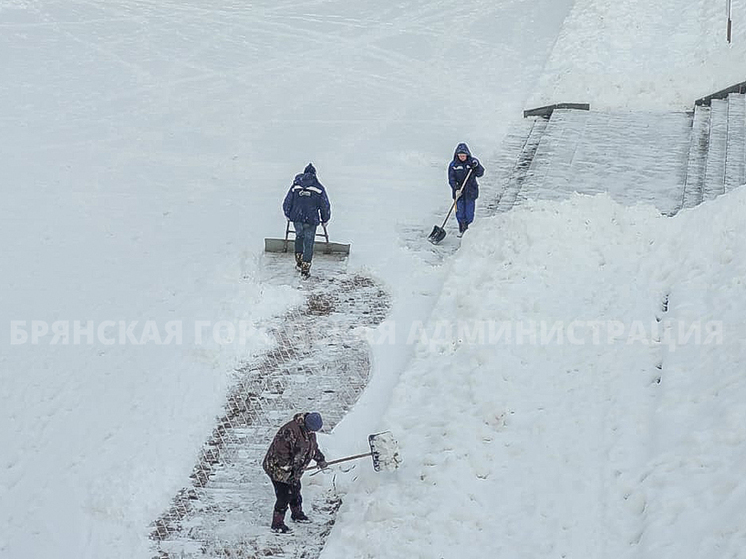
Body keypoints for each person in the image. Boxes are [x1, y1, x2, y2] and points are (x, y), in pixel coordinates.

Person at [262, 412, 327, 533]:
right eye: (312, 430)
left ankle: (297, 514)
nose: (313, 432)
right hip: (277, 467)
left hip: (293, 469)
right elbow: (280, 453)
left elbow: (312, 448)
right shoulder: (290, 431)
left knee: (295, 488)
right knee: (284, 494)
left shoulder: (309, 433)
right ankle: (277, 524)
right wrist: (289, 469)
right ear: (306, 424)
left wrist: (320, 459)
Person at [283, 163, 331, 278]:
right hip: (311, 219)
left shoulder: (295, 186)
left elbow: (287, 201)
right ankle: (305, 267)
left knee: (299, 236)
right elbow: (325, 205)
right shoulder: (319, 188)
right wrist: (325, 219)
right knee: (309, 242)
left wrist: (288, 214)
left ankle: (298, 260)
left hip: (297, 217)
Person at [448, 143, 484, 236]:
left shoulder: (471, 163)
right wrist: (456, 188)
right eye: (460, 156)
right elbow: (451, 179)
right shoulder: (453, 165)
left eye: (464, 156)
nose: (462, 157)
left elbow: (480, 173)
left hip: (470, 192)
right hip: (458, 193)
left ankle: (468, 229)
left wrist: (477, 165)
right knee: (459, 211)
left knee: (469, 212)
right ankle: (462, 227)